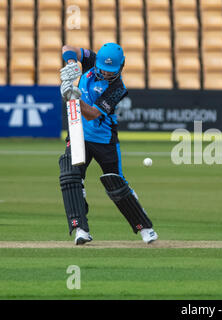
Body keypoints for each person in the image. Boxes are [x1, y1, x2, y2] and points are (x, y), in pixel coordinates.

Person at [58, 43, 158, 245]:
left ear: (121, 67)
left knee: (116, 184)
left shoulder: (118, 88)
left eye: (111, 71)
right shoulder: (90, 61)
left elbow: (93, 113)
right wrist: (70, 62)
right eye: (103, 68)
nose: (106, 73)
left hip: (104, 140)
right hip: (79, 134)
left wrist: (74, 97)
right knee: (70, 176)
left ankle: (145, 227)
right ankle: (80, 229)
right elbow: (69, 47)